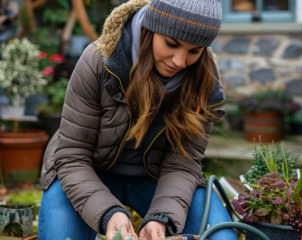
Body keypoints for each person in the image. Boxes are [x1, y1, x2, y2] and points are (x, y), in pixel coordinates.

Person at [38, 0, 237, 240]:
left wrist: (162, 217)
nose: (179, 62)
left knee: (222, 237)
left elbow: (182, 165)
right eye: (172, 44)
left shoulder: (202, 83)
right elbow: (72, 156)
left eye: (194, 51)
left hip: (158, 180)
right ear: (149, 29)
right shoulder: (98, 61)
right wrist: (109, 214)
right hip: (86, 171)